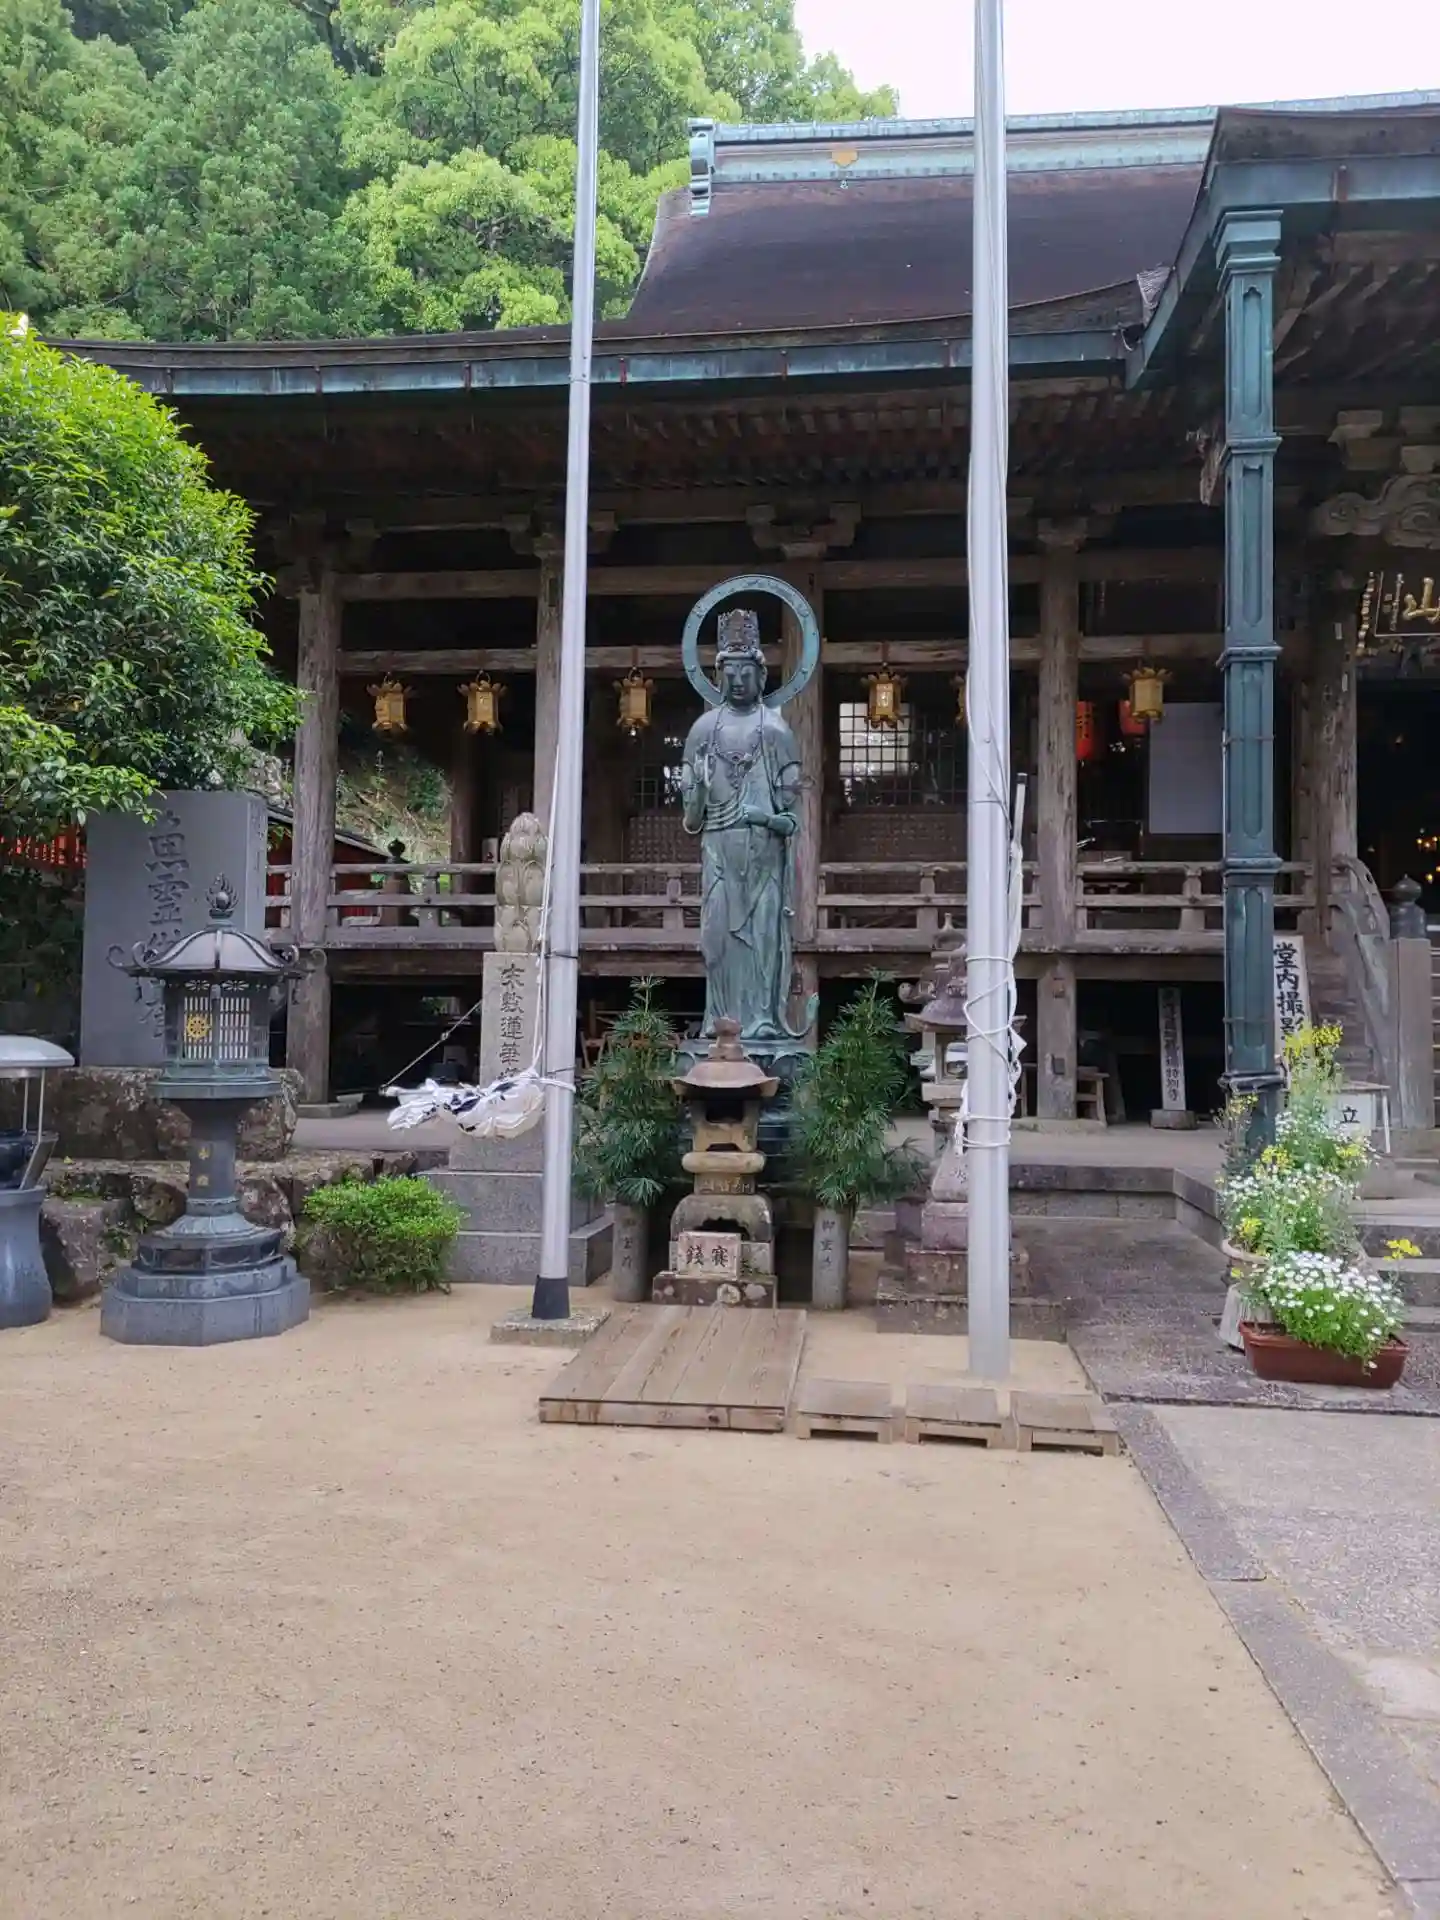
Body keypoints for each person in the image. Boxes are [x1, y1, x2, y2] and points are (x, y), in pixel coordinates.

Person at [679, 609, 806, 1041]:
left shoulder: (776, 731)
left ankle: (762, 1022)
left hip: (762, 864)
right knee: (716, 942)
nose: (736, 680)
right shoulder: (702, 731)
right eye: (729, 671)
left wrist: (765, 818)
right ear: (717, 675)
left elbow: (791, 820)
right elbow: (691, 821)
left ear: (761, 675)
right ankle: (719, 1023)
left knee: (762, 944)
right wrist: (697, 790)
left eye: (745, 671)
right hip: (718, 857)